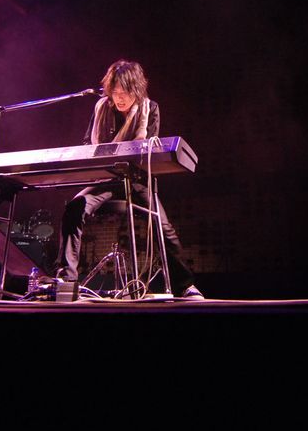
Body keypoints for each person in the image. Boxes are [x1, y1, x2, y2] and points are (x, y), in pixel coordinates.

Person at [54, 60, 203, 299]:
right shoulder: (101, 108)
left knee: (164, 228)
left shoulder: (149, 108)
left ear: (136, 90)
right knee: (74, 208)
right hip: (105, 177)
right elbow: (86, 144)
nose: (119, 99)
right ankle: (66, 280)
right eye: (114, 94)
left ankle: (184, 285)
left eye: (124, 93)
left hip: (136, 179)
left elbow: (148, 148)